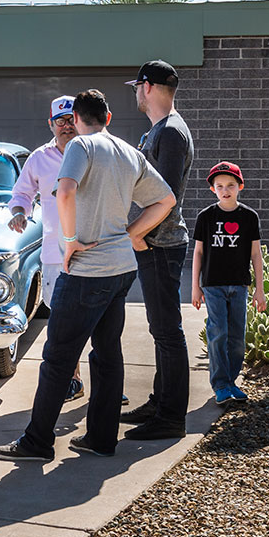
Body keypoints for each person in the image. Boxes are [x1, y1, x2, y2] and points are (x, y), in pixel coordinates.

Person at [0, 89, 175, 462]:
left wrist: (71, 241)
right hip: (122, 268)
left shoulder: (80, 147)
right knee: (108, 355)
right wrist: (130, 235)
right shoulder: (127, 152)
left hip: (86, 270)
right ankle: (101, 439)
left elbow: (65, 192)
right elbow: (166, 199)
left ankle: (37, 442)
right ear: (108, 118)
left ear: (76, 120)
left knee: (58, 357)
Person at [120, 60, 195, 441]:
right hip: (157, 242)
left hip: (160, 243)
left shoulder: (170, 133)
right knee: (161, 329)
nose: (135, 92)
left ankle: (170, 418)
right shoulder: (163, 130)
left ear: (147, 87)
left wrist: (135, 234)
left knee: (167, 332)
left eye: (137, 85)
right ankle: (159, 401)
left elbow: (164, 198)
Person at [8, 95, 86, 400]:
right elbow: (22, 192)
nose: (66, 126)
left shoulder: (94, 152)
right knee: (62, 320)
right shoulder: (40, 158)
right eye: (60, 121)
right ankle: (73, 378)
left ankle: (108, 380)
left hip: (93, 249)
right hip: (56, 254)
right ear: (50, 124)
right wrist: (18, 213)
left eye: (71, 120)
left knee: (99, 320)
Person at [192, 161, 266, 405]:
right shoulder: (206, 217)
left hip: (239, 285)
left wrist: (259, 290)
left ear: (240, 187)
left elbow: (256, 254)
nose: (225, 190)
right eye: (220, 185)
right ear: (213, 189)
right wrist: (195, 286)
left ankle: (232, 382)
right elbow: (199, 253)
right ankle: (220, 384)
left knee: (237, 336)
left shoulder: (249, 217)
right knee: (218, 332)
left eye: (231, 185)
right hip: (213, 285)